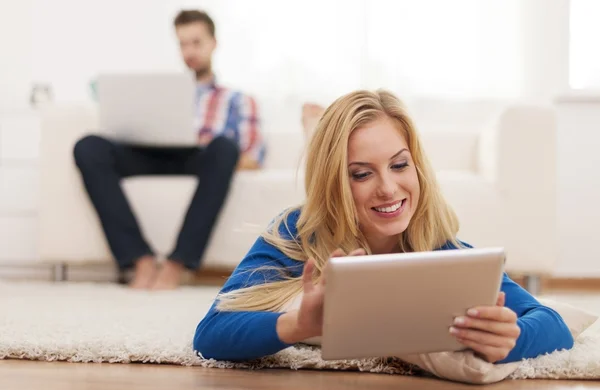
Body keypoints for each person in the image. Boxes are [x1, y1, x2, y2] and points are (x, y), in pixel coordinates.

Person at [193, 89, 574, 369]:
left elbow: (554, 325)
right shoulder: (297, 232)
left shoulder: (441, 247)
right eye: (361, 173)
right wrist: (297, 325)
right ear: (336, 182)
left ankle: (321, 132)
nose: (389, 188)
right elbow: (210, 333)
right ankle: (318, 132)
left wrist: (513, 339)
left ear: (417, 166)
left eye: (399, 165)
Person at [73, 10, 265, 290]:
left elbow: (253, 157)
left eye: (196, 42)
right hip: (151, 153)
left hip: (201, 159)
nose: (189, 51)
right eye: (182, 44)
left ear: (214, 43)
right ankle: (140, 259)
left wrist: (221, 157)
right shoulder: (157, 92)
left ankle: (177, 263)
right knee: (88, 147)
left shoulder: (238, 100)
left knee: (224, 148)